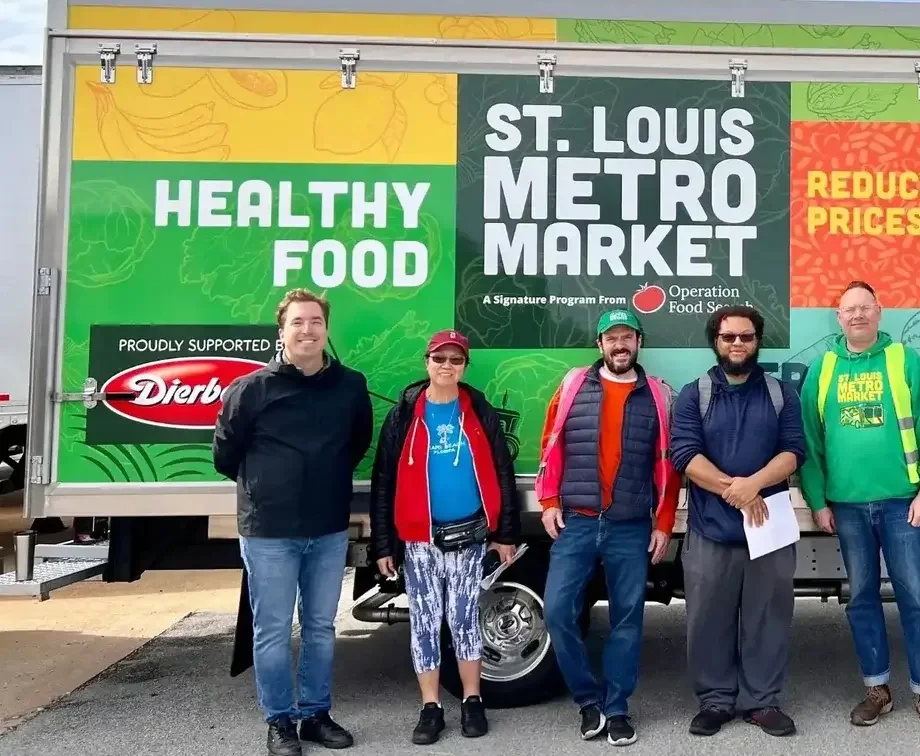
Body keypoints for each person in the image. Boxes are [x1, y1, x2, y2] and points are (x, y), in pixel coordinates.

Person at [212, 289, 374, 756]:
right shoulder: (250, 390)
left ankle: (315, 716)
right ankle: (280, 722)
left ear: (327, 330)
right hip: (269, 532)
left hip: (326, 528)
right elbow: (226, 455)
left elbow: (356, 443)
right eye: (298, 322)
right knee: (273, 629)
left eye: (316, 321)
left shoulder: (349, 386)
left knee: (322, 626)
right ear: (282, 331)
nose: (308, 329)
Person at [799, 281, 920, 731]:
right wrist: (817, 502)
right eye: (849, 310)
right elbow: (809, 442)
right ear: (838, 317)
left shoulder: (903, 360)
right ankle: (877, 690)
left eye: (864, 308)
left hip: (901, 503)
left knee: (915, 598)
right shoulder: (823, 368)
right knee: (862, 599)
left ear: (879, 312)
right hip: (846, 507)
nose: (857, 316)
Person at [535, 308, 682, 747]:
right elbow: (550, 442)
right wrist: (547, 501)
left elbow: (669, 465)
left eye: (627, 337)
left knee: (627, 620)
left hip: (630, 525)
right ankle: (587, 701)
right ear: (599, 345)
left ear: (639, 342)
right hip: (577, 520)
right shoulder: (574, 384)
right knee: (557, 612)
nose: (620, 345)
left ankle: (617, 708)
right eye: (611, 338)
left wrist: (665, 521)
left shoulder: (657, 395)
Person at [369, 329, 523, 745]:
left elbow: (502, 473)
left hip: (470, 537)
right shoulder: (404, 414)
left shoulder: (478, 411)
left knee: (464, 619)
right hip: (419, 541)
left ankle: (472, 700)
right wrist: (383, 544)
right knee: (424, 622)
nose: (447, 366)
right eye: (440, 359)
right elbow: (384, 480)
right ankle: (431, 706)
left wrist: (505, 531)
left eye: (456, 360)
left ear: (464, 367)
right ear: (427, 362)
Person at [668, 306, 806, 738]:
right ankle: (715, 701)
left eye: (745, 337)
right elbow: (685, 455)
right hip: (711, 528)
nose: (737, 344)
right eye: (728, 337)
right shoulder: (695, 393)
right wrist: (736, 490)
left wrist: (755, 486)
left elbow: (793, 451)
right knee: (708, 618)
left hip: (769, 527)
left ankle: (762, 702)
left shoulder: (781, 392)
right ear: (716, 341)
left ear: (757, 341)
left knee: (768, 616)